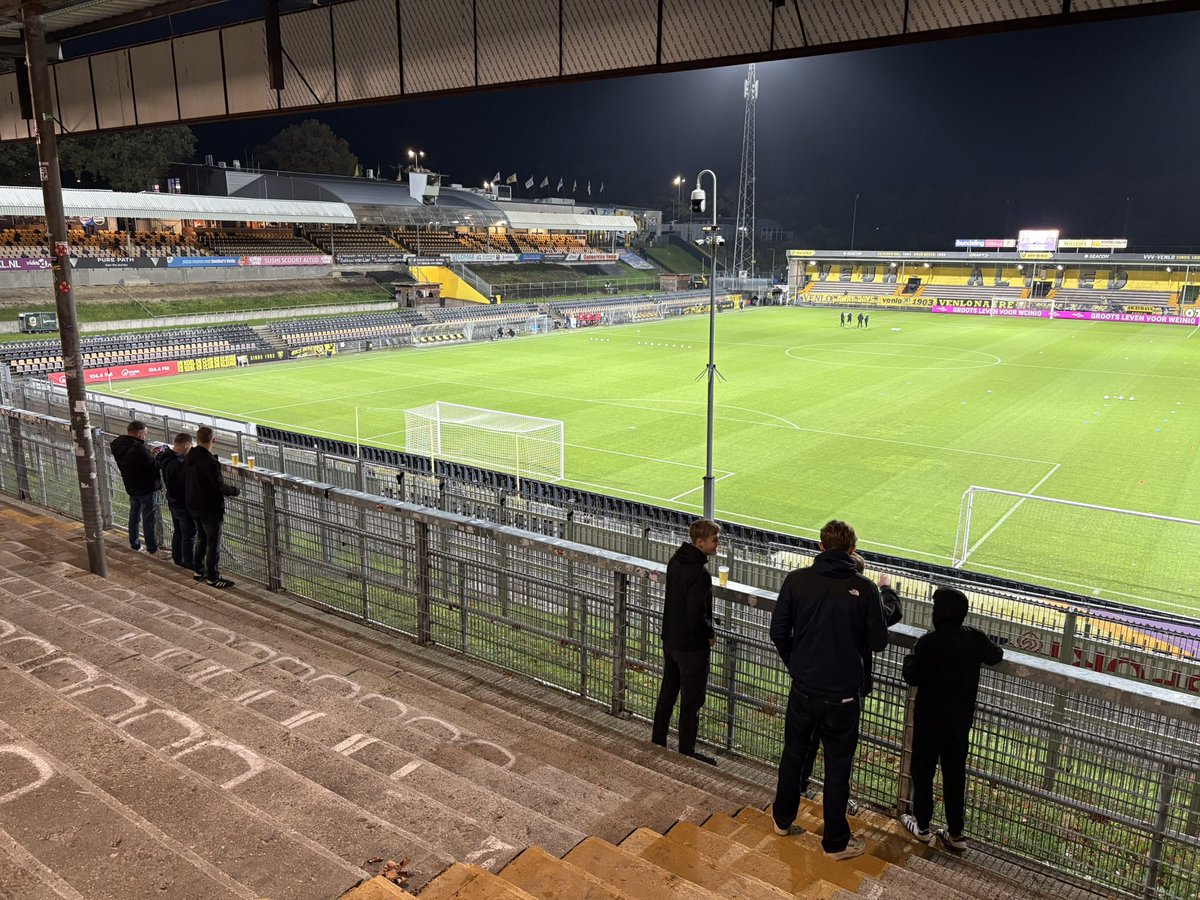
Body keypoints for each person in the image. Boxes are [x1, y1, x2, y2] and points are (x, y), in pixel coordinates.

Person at [769, 520, 890, 860]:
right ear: (852, 549)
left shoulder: (797, 580)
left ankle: (781, 819)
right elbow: (878, 642)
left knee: (793, 754)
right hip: (843, 696)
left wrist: (798, 664)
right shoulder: (864, 589)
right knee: (837, 766)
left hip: (804, 688)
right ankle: (835, 843)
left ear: (821, 546)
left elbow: (778, 631)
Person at [900, 587, 1003, 852]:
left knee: (923, 773)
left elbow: (912, 675)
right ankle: (956, 833)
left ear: (938, 614)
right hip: (959, 724)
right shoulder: (974, 639)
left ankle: (922, 826)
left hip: (928, 722)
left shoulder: (928, 642)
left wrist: (910, 658)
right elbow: (995, 655)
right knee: (954, 776)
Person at [795, 554, 902, 809]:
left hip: (810, 682)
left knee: (805, 743)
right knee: (839, 754)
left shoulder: (814, 591)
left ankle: (798, 789)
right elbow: (891, 614)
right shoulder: (864, 599)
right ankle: (837, 808)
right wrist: (885, 589)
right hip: (845, 689)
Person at [652, 519, 720, 765]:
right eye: (714, 540)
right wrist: (710, 634)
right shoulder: (699, 574)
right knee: (691, 702)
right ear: (700, 542)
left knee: (668, 692)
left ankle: (657, 741)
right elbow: (695, 616)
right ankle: (686, 753)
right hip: (691, 647)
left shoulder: (675, 561)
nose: (718, 544)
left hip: (670, 639)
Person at [184, 426, 239, 589]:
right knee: (213, 543)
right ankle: (213, 577)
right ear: (213, 440)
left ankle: (199, 571)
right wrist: (235, 490)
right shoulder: (209, 462)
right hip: (209, 507)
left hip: (193, 504)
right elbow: (218, 486)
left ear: (197, 438)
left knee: (201, 538)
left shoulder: (190, 456)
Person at [110, 420, 161, 555]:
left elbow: (137, 461)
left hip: (131, 486)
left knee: (134, 516)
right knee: (148, 519)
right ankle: (152, 548)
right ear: (139, 433)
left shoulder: (119, 445)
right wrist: (155, 456)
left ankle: (135, 544)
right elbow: (152, 467)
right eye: (145, 433)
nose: (145, 436)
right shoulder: (138, 449)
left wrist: (148, 453)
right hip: (146, 488)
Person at [157, 432, 195, 570]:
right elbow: (185, 482)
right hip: (182, 503)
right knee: (188, 535)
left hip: (172, 500)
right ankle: (189, 564)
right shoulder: (178, 463)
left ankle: (178, 559)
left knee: (178, 531)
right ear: (186, 445)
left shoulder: (166, 457)